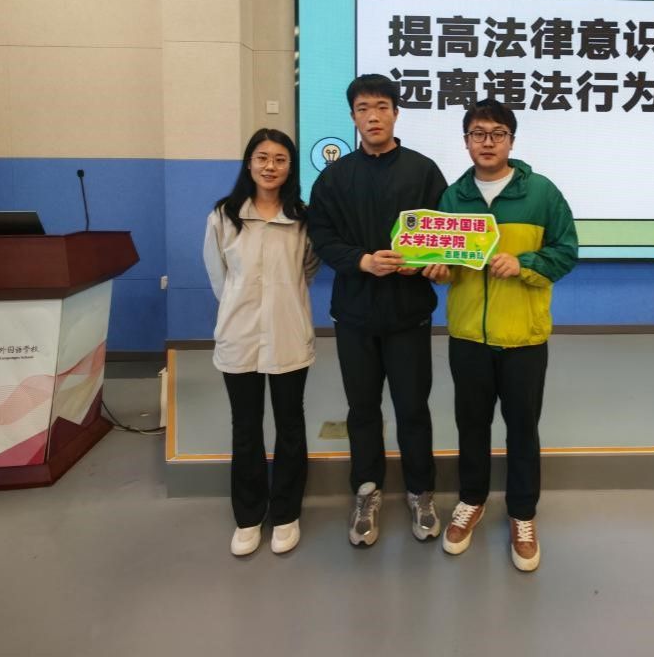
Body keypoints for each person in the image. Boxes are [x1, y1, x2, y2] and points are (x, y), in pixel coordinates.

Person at [423, 98, 577, 572]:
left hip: (523, 338)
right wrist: (440, 270)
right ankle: (471, 500)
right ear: (466, 141)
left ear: (511, 140)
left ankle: (522, 512)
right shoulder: (454, 198)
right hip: (468, 335)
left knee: (522, 428)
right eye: (477, 133)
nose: (487, 142)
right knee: (471, 424)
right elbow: (449, 261)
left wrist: (524, 263)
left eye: (497, 134)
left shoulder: (542, 193)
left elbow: (566, 252)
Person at [307, 74, 447, 547]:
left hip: (410, 313)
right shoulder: (334, 177)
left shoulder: (423, 171)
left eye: (382, 107)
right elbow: (321, 236)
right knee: (362, 408)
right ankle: (366, 490)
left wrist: (430, 263)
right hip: (354, 315)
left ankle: (420, 491)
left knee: (413, 408)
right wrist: (362, 261)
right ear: (352, 117)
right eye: (364, 108)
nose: (373, 116)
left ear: (396, 113)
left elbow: (445, 231)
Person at [204, 128, 319, 557]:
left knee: (290, 426)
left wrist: (280, 301)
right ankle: (249, 515)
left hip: (288, 333)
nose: (270, 166)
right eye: (262, 158)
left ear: (291, 167)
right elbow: (218, 276)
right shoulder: (224, 215)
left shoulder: (302, 218)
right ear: (249, 163)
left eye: (280, 159)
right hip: (239, 336)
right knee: (246, 427)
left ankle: (286, 512)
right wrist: (243, 305)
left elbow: (307, 270)